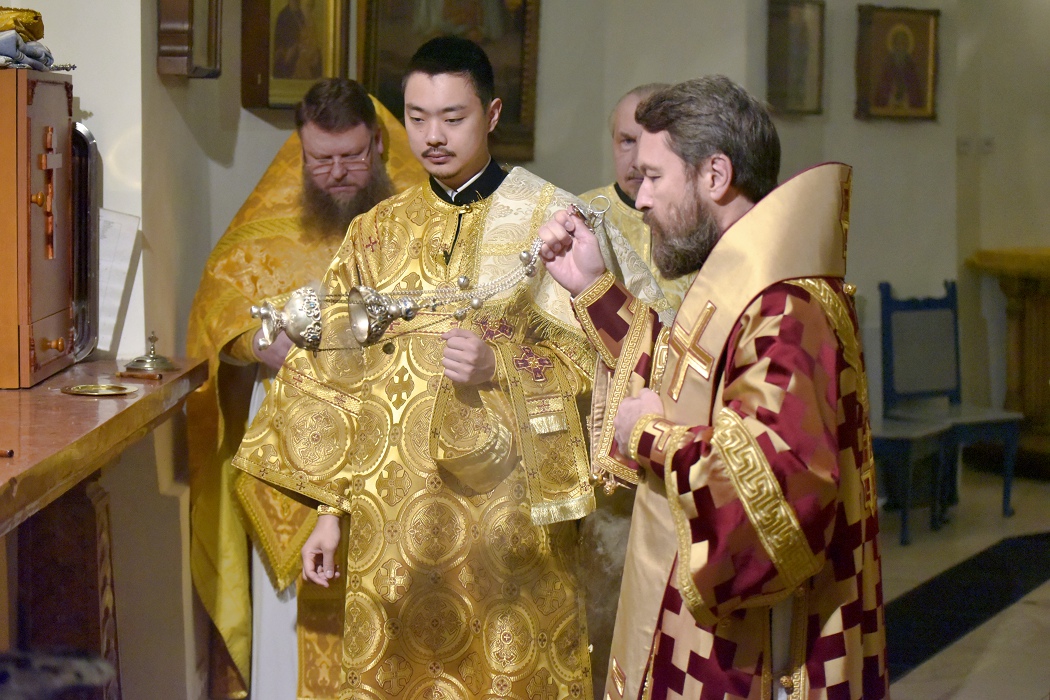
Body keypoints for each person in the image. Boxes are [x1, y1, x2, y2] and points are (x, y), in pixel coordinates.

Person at [232, 35, 665, 699]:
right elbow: (336, 373)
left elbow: (616, 356)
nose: (432, 136)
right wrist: (328, 511)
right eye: (417, 117)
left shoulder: (553, 222)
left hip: (510, 528)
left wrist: (501, 366)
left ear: (491, 114)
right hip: (391, 530)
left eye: (452, 117)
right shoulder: (375, 232)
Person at [538, 76, 887, 699]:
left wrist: (648, 436)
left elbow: (777, 491)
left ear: (715, 175)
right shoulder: (748, 284)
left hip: (758, 651)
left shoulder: (786, 306)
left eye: (654, 176)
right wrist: (593, 288)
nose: (640, 198)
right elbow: (691, 387)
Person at [186, 78, 425, 699]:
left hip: (394, 444)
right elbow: (219, 312)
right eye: (321, 159)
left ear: (378, 143)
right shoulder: (268, 228)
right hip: (291, 452)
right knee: (289, 612)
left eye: (352, 156)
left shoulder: (419, 219)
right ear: (300, 149)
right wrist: (255, 343)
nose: (338, 173)